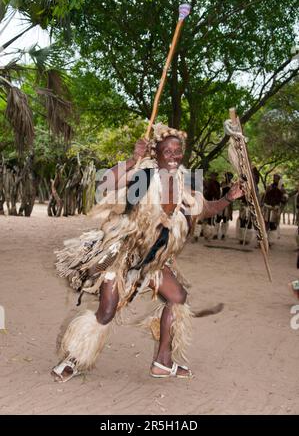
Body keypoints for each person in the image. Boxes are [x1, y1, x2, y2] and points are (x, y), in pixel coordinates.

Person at [51, 123, 244, 382]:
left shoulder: (186, 180)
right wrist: (132, 159)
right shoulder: (144, 176)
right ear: (157, 153)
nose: (174, 156)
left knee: (177, 298)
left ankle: (163, 362)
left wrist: (229, 198)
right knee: (107, 310)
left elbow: (201, 209)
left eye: (178, 151)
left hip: (153, 261)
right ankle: (73, 360)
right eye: (168, 151)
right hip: (122, 255)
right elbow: (106, 182)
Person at [262, 174, 284, 246]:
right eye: (274, 178)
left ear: (279, 179)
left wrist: (280, 191)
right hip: (267, 208)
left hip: (275, 210)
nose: (274, 179)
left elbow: (284, 199)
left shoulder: (282, 189)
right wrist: (264, 204)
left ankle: (270, 242)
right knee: (265, 225)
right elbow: (264, 197)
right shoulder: (269, 187)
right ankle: (263, 241)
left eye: (276, 178)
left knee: (273, 225)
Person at [215, 172, 234, 240]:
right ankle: (215, 233)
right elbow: (219, 192)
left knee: (225, 219)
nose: (228, 178)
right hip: (221, 202)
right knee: (218, 219)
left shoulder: (232, 184)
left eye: (229, 177)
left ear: (231, 177)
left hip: (228, 204)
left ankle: (223, 234)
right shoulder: (222, 183)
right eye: (227, 176)